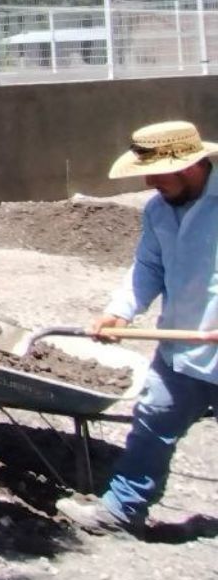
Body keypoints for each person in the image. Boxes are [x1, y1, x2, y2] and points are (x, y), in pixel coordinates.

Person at [56, 120, 218, 536]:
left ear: (191, 166)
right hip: (180, 349)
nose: (148, 181)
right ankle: (122, 510)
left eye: (157, 172)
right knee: (152, 422)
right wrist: (120, 311)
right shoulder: (158, 210)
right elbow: (148, 267)